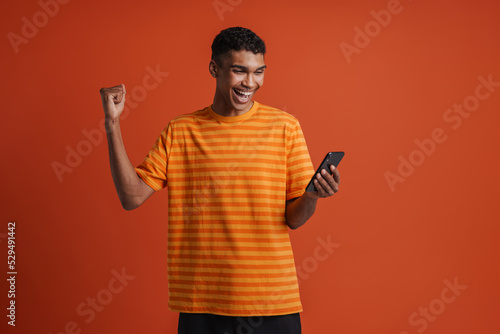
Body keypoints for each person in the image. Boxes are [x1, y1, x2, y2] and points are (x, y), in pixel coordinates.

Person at [99, 26, 340, 334]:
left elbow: (293, 219)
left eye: (259, 72)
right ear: (215, 68)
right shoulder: (181, 131)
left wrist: (311, 196)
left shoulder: (285, 127)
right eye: (240, 71)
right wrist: (112, 123)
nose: (250, 83)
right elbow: (131, 197)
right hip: (202, 303)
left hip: (272, 302)